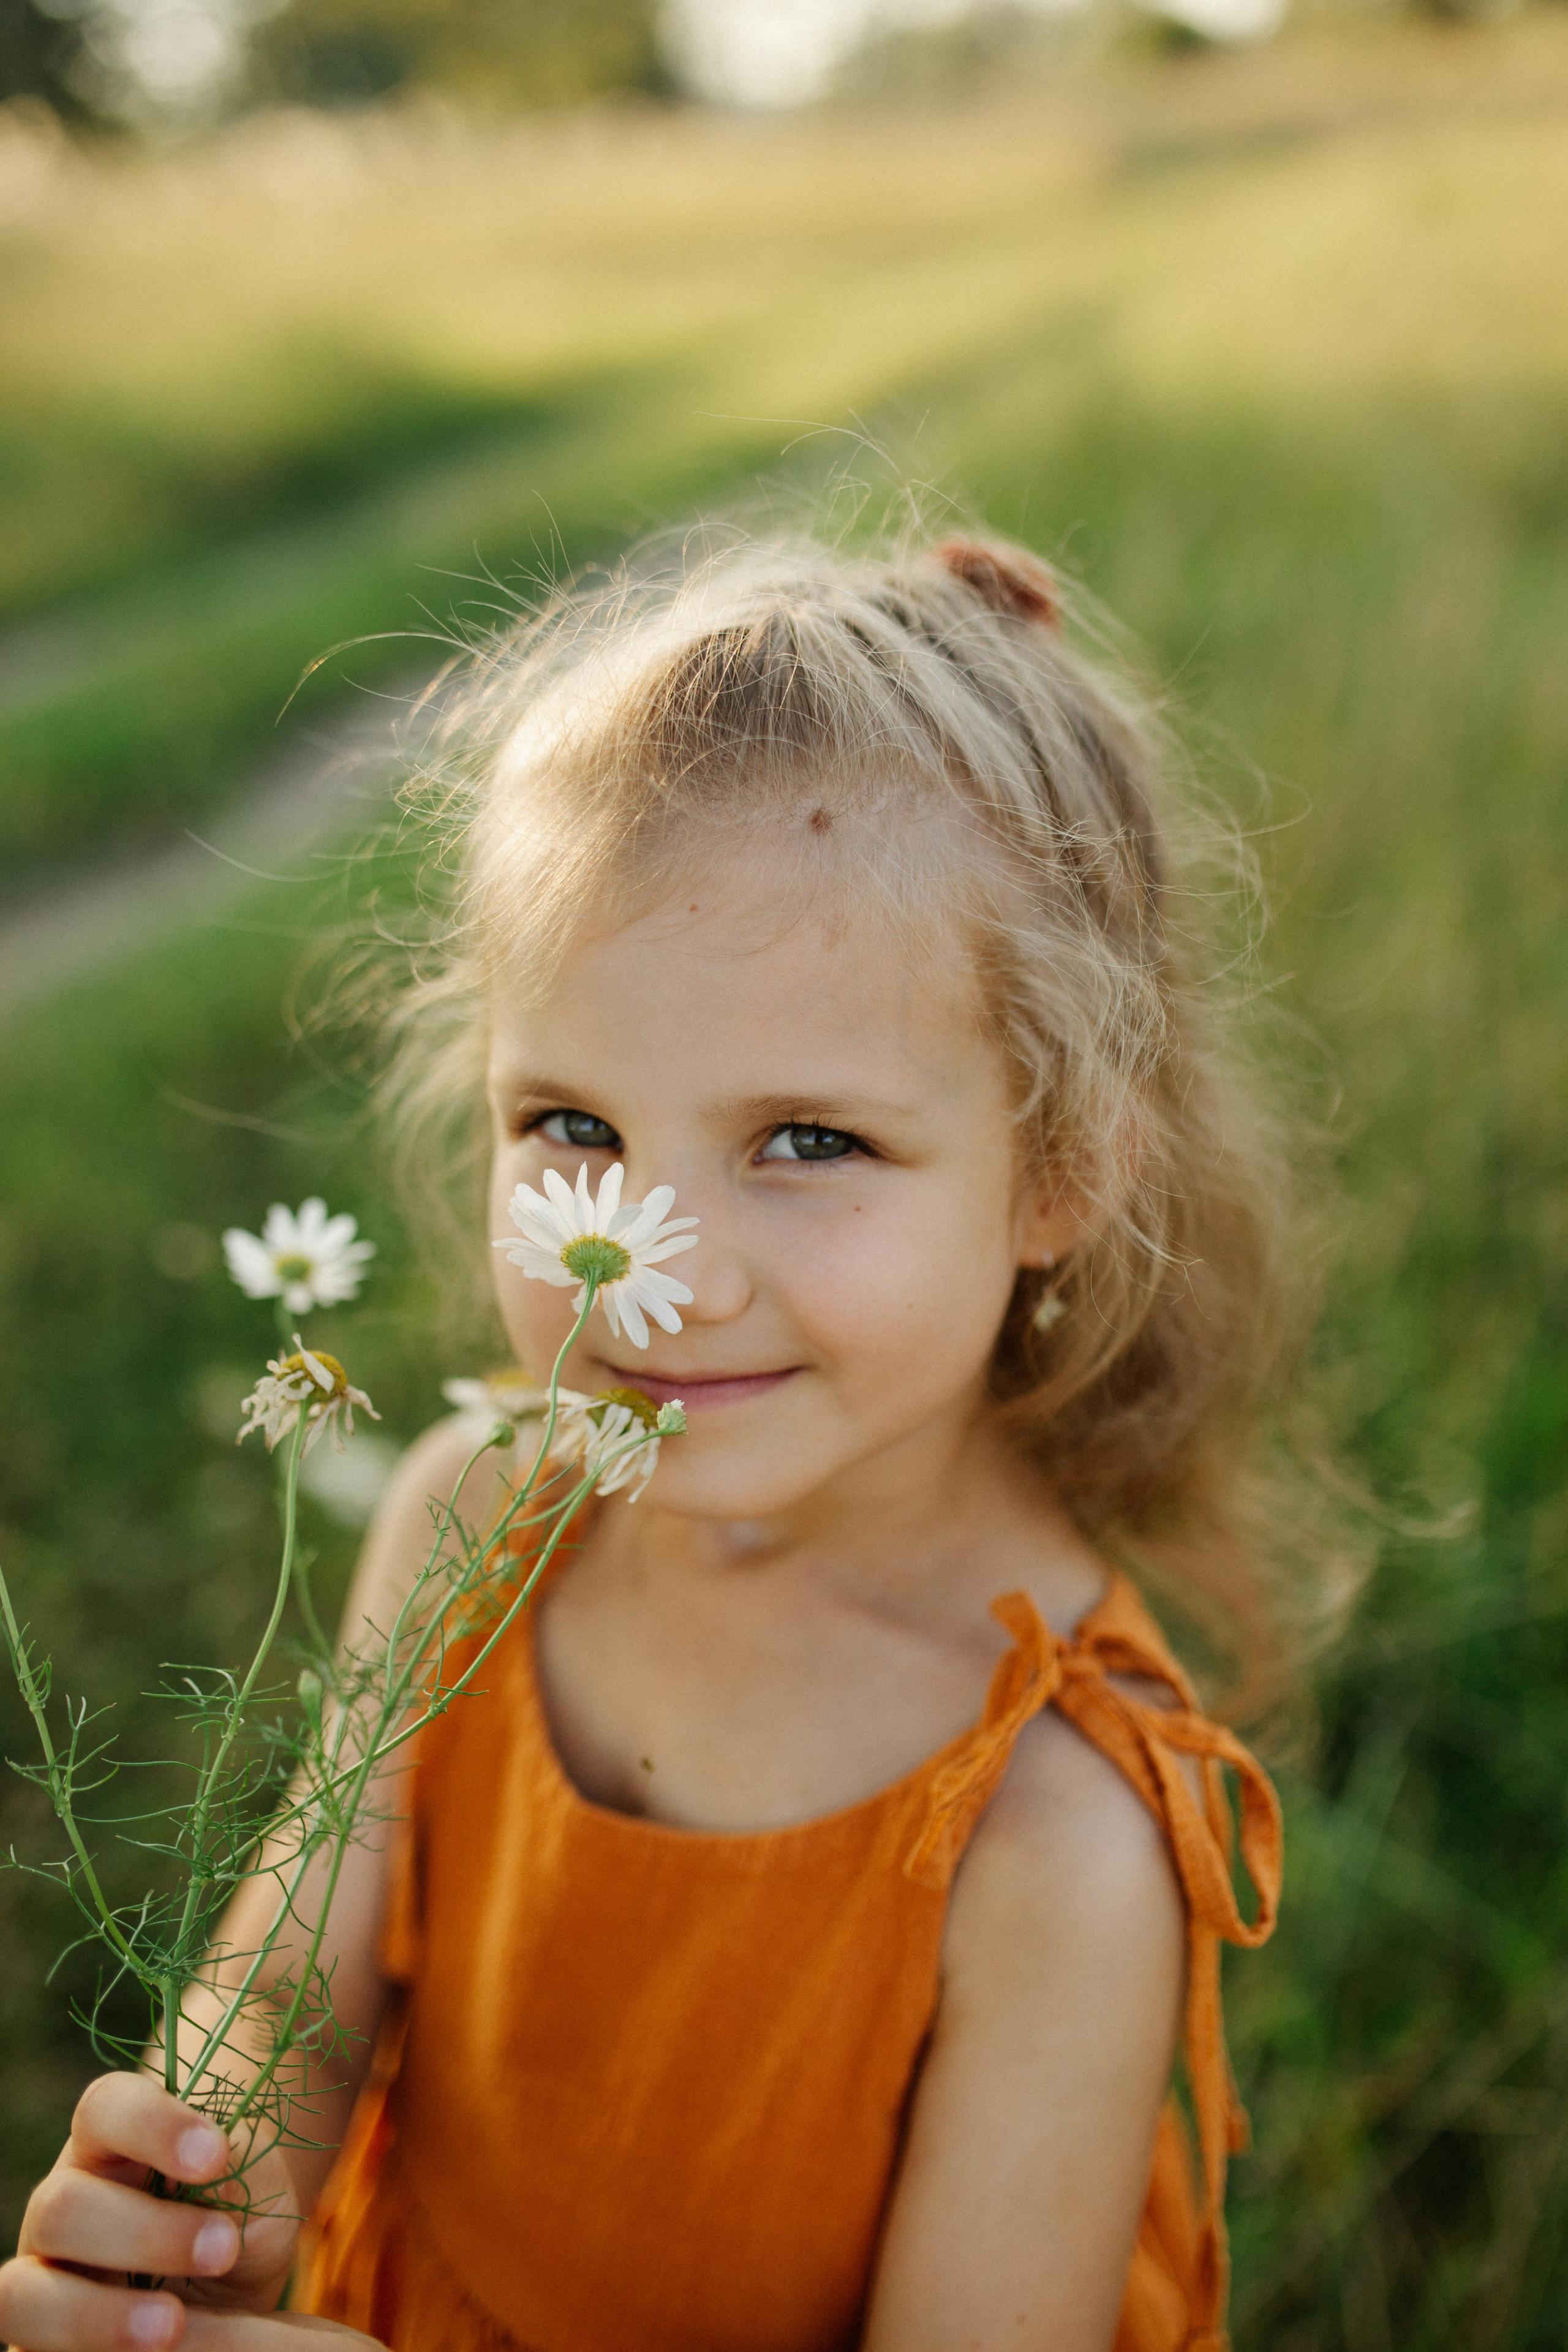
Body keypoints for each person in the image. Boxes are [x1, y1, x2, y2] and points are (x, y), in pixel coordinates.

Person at [2, 521, 1328, 2352]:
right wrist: (187, 2219)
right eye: (573, 1128)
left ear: (1064, 1171)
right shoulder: (473, 1516)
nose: (649, 1273)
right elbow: (293, 1993)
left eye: (809, 1142)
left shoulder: (1054, 1839)